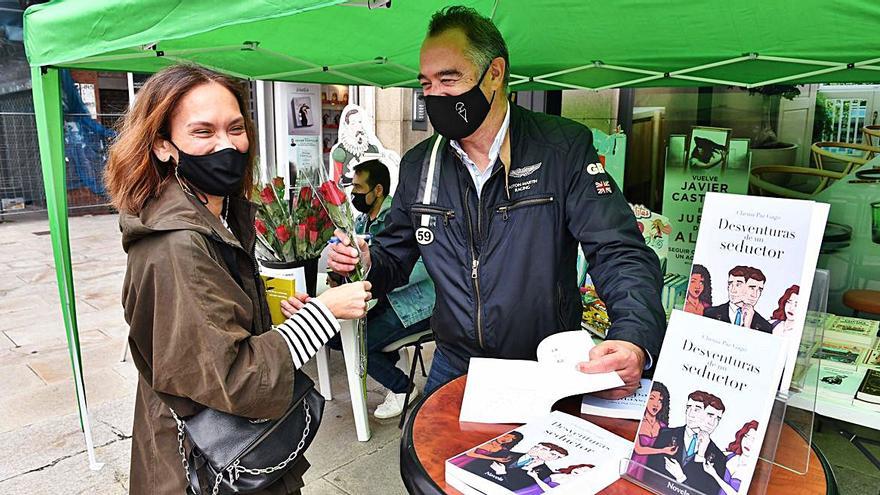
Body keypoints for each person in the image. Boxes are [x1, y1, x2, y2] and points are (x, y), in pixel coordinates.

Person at [328, 5, 665, 399]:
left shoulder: (561, 149)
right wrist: (367, 260)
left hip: (545, 363)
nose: (434, 95)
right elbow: (394, 256)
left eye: (449, 79)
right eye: (426, 84)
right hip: (455, 363)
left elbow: (618, 250)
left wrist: (633, 336)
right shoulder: (421, 166)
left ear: (495, 73)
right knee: (423, 459)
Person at [105, 64, 372, 495]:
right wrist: (325, 313)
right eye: (203, 132)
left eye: (234, 128)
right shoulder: (175, 245)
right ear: (162, 146)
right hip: (204, 463)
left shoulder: (216, 212)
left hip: (230, 452)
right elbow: (232, 375)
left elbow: (211, 334)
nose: (226, 145)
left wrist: (278, 320)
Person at [287, 159, 435, 419]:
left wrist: (370, 275)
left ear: (378, 190)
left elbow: (420, 268)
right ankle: (394, 368)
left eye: (358, 187)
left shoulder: (398, 220)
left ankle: (403, 387)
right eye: (351, 187)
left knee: (359, 343)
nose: (353, 193)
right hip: (380, 301)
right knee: (333, 336)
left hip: (414, 303)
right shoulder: (361, 222)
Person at [651, 391, 728, 495]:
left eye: (717, 419)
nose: (712, 423)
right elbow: (650, 473)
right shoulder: (666, 434)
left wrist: (681, 478)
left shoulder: (719, 457)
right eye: (710, 415)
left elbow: (708, 491)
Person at [629, 382, 677, 479]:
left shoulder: (663, 426)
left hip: (653, 469)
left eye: (660, 401)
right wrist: (663, 450)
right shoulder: (638, 422)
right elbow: (638, 449)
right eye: (652, 398)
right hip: (634, 467)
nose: (656, 404)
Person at [703, 266, 772, 332]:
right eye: (730, 284)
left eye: (760, 290)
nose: (755, 295)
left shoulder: (765, 326)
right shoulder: (710, 313)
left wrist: (747, 327)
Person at [703, 420, 759, 494]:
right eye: (746, 436)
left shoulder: (753, 471)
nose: (748, 442)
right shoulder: (729, 455)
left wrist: (714, 475)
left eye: (753, 440)